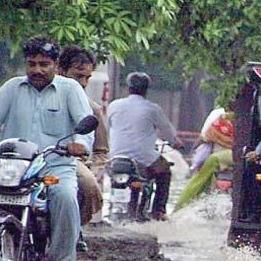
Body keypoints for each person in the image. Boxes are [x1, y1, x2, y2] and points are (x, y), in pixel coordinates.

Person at [0, 35, 94, 261]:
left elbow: (86, 125)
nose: (37, 70)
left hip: (55, 166)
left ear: (55, 65)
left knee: (64, 196)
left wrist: (79, 145)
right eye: (32, 64)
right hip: (13, 168)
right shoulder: (12, 88)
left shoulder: (70, 89)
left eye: (44, 64)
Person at [106, 72, 181, 221]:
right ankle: (158, 211)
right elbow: (168, 131)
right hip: (144, 159)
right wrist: (176, 142)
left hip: (115, 157)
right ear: (146, 89)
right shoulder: (152, 109)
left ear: (128, 88)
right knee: (165, 170)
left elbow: (108, 126)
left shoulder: (114, 105)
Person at [58, 45, 110, 235]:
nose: (84, 83)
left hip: (71, 164)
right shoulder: (37, 96)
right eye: (78, 76)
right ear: (60, 70)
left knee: (88, 187)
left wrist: (88, 165)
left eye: (87, 77)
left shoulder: (93, 109)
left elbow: (101, 152)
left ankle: (73, 230)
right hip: (35, 159)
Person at [175, 111, 235, 211]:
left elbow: (205, 136)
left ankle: (179, 207)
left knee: (200, 175)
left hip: (231, 155)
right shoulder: (222, 116)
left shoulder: (221, 116)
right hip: (221, 155)